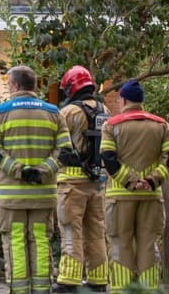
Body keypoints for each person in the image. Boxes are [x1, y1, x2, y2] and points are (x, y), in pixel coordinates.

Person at [0, 65, 75, 294]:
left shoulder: (1, 113)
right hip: (43, 195)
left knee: (15, 243)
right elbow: (65, 152)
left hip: (11, 197)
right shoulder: (54, 113)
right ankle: (42, 290)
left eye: (8, 84)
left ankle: (19, 290)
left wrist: (20, 171)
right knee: (41, 242)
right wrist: (42, 171)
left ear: (15, 85)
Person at [100, 80, 169, 291]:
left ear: (123, 100)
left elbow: (108, 157)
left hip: (120, 197)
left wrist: (131, 181)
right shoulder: (161, 125)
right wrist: (152, 180)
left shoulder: (111, 125)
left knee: (120, 246)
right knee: (148, 247)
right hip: (151, 196)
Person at [53, 66, 108, 292]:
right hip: (97, 182)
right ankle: (98, 281)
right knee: (96, 232)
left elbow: (56, 144)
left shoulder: (68, 113)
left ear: (70, 88)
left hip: (71, 183)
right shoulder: (105, 110)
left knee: (70, 231)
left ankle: (69, 281)